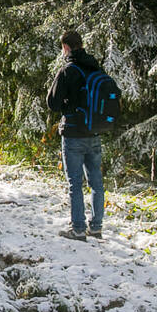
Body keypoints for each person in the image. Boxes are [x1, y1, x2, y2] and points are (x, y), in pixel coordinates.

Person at [45, 30, 105, 241]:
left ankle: (78, 228)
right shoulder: (95, 68)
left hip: (72, 134)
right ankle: (96, 227)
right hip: (95, 132)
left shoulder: (68, 71)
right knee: (96, 182)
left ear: (66, 48)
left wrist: (67, 105)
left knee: (75, 183)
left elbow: (52, 103)